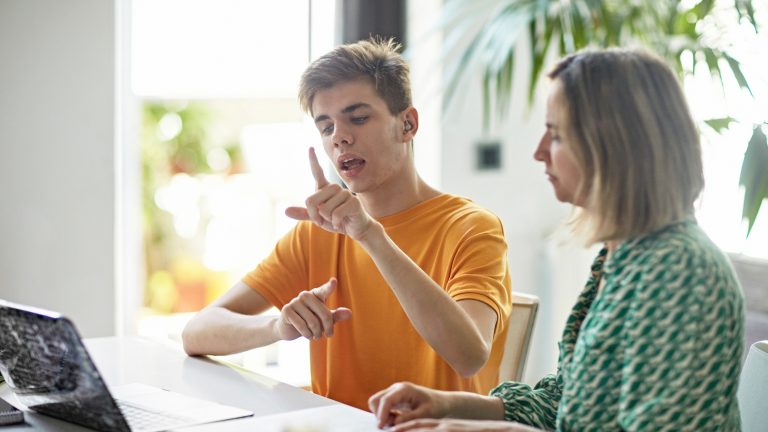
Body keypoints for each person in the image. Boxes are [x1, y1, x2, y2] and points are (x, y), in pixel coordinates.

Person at [369, 48, 745, 431]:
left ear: (617, 146)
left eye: (558, 135)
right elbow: (567, 404)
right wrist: (448, 406)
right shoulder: (621, 257)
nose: (539, 152)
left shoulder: (680, 271)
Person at [181, 38, 512, 411]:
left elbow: (469, 355)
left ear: (407, 124)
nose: (339, 137)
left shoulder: (472, 227)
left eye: (358, 118)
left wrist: (370, 235)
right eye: (326, 127)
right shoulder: (316, 232)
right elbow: (197, 332)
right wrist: (277, 327)